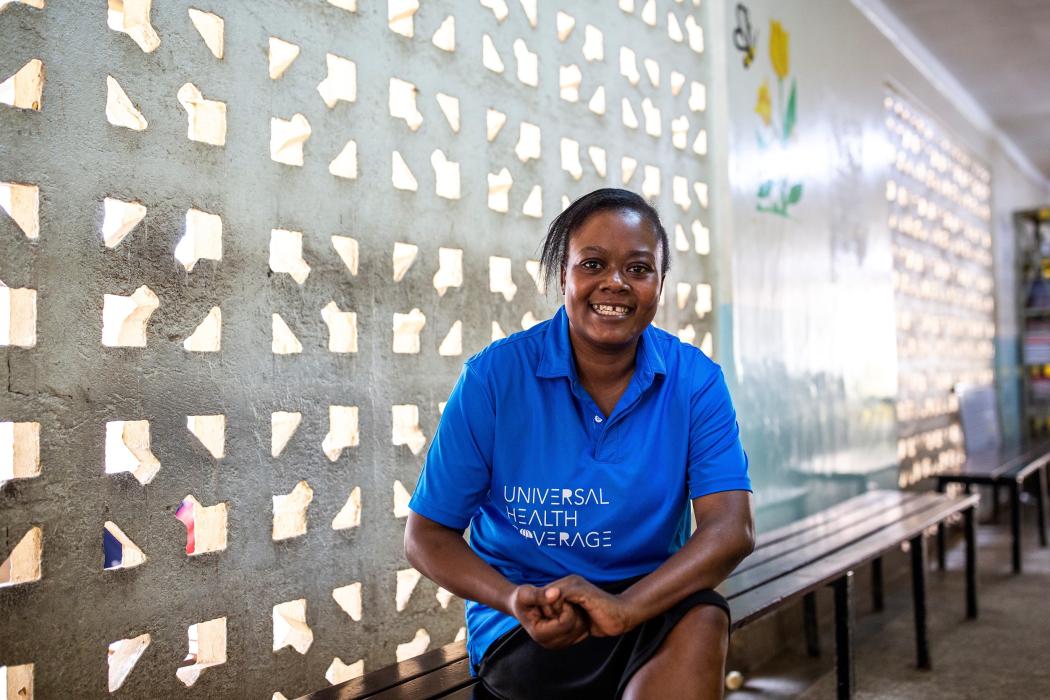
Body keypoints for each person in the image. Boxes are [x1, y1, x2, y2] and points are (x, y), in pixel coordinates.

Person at [405, 188, 754, 699]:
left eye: (638, 268)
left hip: (654, 602)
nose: (615, 282)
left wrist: (626, 608)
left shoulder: (695, 381)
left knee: (704, 619)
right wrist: (514, 597)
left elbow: (732, 528)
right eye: (593, 263)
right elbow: (427, 535)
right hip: (532, 620)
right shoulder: (494, 380)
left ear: (659, 283)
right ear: (562, 276)